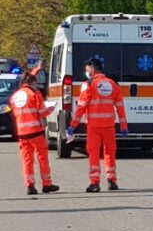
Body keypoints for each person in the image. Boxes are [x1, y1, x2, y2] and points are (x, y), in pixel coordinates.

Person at [67, 57, 127, 193]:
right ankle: (112, 180)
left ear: (92, 68)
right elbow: (120, 107)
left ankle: (95, 183)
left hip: (94, 127)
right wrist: (124, 126)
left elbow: (81, 107)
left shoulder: (89, 84)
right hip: (109, 126)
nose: (86, 71)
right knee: (110, 152)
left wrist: (72, 126)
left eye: (87, 69)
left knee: (93, 153)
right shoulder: (113, 84)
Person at [11, 69, 59, 196]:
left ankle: (30, 185)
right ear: (32, 82)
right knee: (42, 158)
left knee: (27, 159)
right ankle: (47, 184)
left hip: (22, 133)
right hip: (36, 131)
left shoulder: (15, 96)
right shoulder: (35, 94)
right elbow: (42, 112)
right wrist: (50, 109)